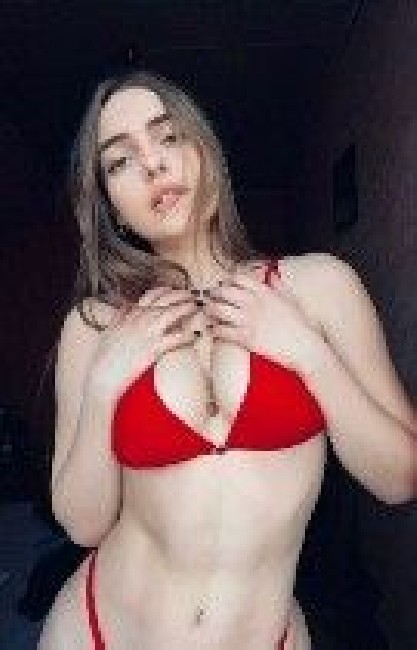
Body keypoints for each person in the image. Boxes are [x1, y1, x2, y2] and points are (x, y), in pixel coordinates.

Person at [37, 70, 416, 650]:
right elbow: (83, 524)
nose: (152, 165)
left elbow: (400, 478)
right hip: (97, 632)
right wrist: (106, 382)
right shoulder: (96, 325)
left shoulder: (319, 288)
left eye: (168, 136)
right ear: (113, 208)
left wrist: (307, 353)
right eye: (120, 161)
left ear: (206, 151)